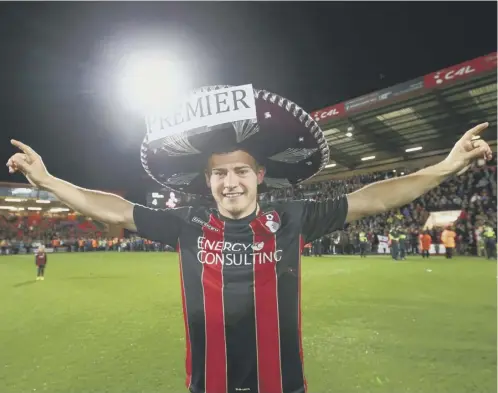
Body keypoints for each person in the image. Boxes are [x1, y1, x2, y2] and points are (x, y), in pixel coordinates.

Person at [6, 83, 492, 393]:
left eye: (241, 170)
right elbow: (114, 208)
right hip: (207, 386)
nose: (230, 181)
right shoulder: (187, 224)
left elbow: (375, 199)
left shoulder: (294, 216)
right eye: (219, 173)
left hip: (281, 386)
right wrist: (49, 181)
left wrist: (446, 166)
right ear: (208, 181)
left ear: (260, 175)